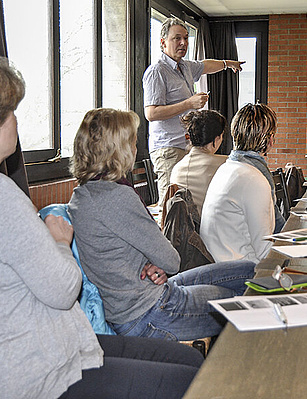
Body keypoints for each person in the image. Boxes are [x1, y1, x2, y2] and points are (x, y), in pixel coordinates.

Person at [0, 54, 203, 399]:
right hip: (28, 376)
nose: (15, 123)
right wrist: (60, 241)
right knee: (191, 380)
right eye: (10, 112)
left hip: (42, 355)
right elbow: (64, 289)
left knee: (187, 360)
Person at [67, 108, 255, 341]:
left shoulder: (82, 195)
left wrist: (148, 262)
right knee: (242, 297)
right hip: (151, 312)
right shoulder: (117, 196)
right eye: (134, 141)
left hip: (146, 296)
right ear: (119, 149)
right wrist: (154, 261)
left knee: (248, 271)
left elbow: (122, 252)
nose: (136, 148)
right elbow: (171, 260)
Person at [143, 17, 244, 206]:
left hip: (187, 147)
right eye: (177, 38)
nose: (183, 43)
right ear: (163, 42)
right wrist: (188, 103)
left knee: (189, 207)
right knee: (171, 207)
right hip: (168, 149)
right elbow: (151, 114)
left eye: (186, 38)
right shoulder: (157, 71)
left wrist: (228, 63)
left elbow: (206, 65)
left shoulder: (186, 67)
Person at [200, 103, 280, 263]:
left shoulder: (226, 169)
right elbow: (264, 252)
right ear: (270, 140)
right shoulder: (254, 180)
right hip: (239, 270)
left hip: (217, 264)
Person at [170, 110, 227, 213]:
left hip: (184, 227)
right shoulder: (225, 165)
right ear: (217, 138)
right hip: (213, 227)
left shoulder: (177, 168)